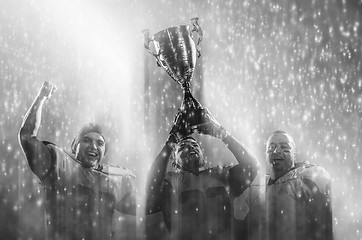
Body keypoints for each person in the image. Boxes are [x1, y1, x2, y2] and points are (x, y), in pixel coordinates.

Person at [18, 81, 136, 240]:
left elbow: (150, 203)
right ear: (74, 145)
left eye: (100, 143)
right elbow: (27, 137)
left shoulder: (113, 179)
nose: (93, 146)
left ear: (104, 151)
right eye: (86, 140)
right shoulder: (59, 164)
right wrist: (41, 98)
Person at [145, 108, 260, 240]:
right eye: (183, 147)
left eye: (195, 145)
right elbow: (151, 187)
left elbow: (252, 166)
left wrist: (223, 135)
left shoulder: (221, 174)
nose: (191, 147)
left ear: (203, 158)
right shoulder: (171, 181)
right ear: (175, 163)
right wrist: (171, 141)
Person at [234, 130, 333, 240]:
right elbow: (239, 223)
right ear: (265, 155)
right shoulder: (255, 189)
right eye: (271, 148)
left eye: (284, 147)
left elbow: (324, 221)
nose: (276, 151)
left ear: (294, 155)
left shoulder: (307, 178)